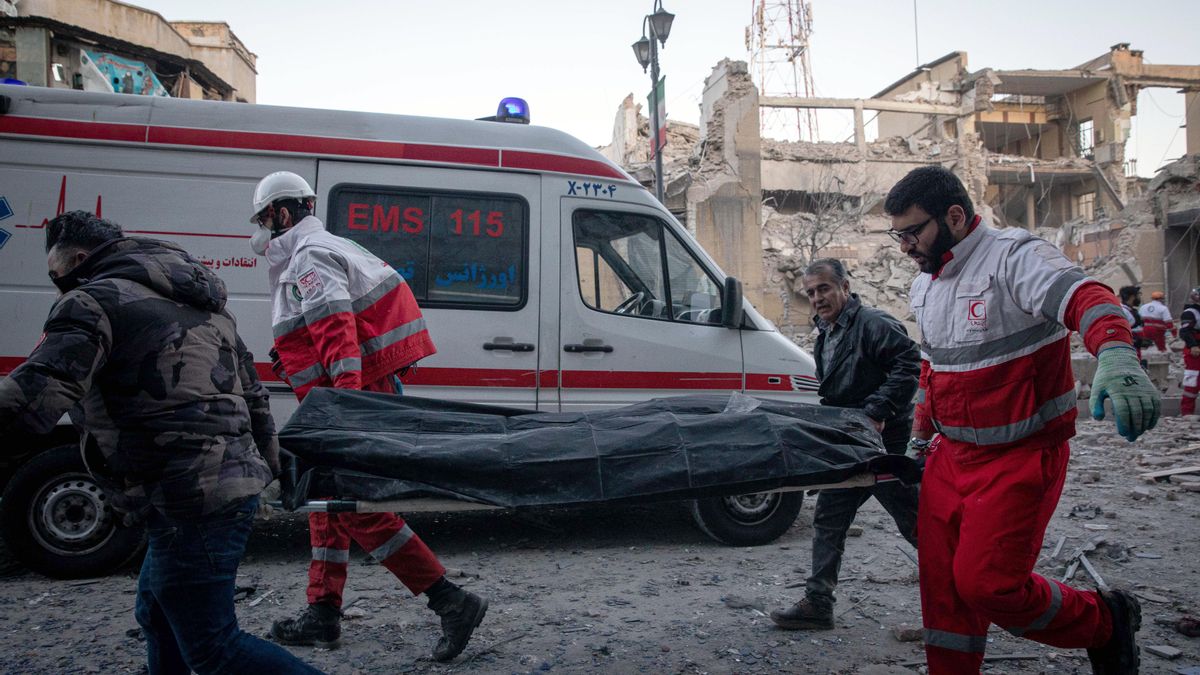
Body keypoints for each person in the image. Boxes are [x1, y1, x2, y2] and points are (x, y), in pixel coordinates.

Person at [0, 211, 322, 675]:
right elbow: (253, 395)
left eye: (57, 274)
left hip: (185, 496)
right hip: (214, 489)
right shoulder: (207, 304)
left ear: (80, 259)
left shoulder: (90, 302)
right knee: (157, 612)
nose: (57, 285)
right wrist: (266, 471)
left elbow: (38, 393)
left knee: (215, 648)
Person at [884, 166, 1160, 674]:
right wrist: (921, 437)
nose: (905, 247)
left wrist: (1117, 355)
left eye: (912, 232)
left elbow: (1088, 297)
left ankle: (1102, 621)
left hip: (1021, 456)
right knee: (943, 589)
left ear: (954, 216)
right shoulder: (927, 285)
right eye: (897, 235)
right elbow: (936, 365)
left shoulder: (1014, 257)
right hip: (951, 457)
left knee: (988, 585)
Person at [250, 172, 487, 662]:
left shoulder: (310, 256)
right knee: (327, 502)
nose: (261, 230)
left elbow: (338, 333)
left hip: (343, 397)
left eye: (264, 218)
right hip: (333, 396)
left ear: (282, 214)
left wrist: (347, 410)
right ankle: (322, 611)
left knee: (358, 508)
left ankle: (451, 601)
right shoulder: (320, 249)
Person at [769, 259, 921, 631]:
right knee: (830, 514)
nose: (817, 298)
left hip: (882, 443)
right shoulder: (828, 332)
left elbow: (909, 363)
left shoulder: (872, 323)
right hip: (852, 442)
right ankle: (819, 602)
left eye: (823, 289)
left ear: (845, 287)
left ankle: (963, 589)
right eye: (811, 292)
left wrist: (878, 410)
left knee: (915, 520)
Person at [1179, 287, 1200, 416]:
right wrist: (1193, 346)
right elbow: (1185, 331)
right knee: (1192, 382)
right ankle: (1187, 413)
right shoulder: (1190, 313)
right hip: (1195, 352)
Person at [1118, 285, 1147, 365]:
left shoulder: (1130, 310)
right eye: (1138, 295)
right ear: (1132, 297)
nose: (1139, 298)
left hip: (1135, 349)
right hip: (1129, 351)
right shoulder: (1123, 311)